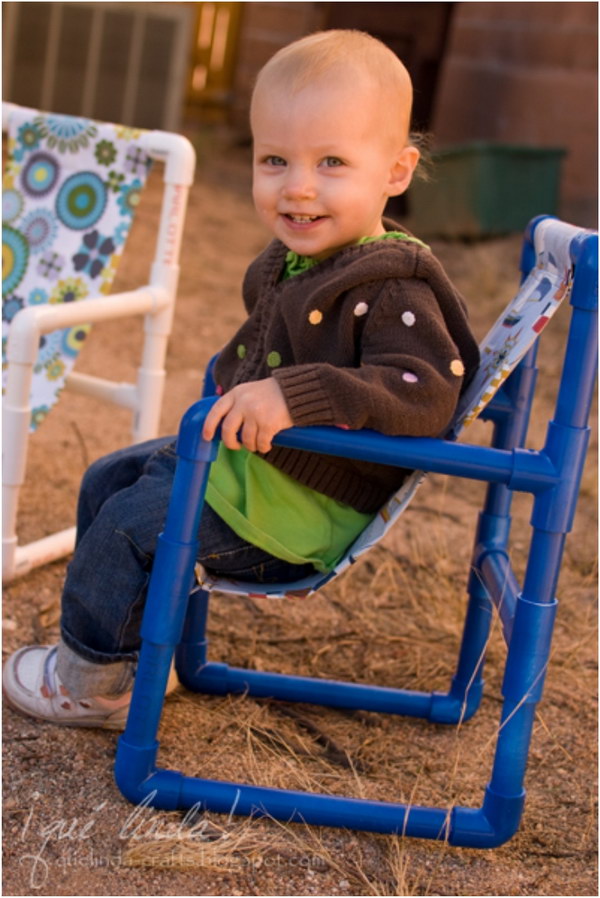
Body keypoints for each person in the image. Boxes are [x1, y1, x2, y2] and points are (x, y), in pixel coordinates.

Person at [3, 29, 480, 728]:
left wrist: (293, 394)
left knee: (133, 528)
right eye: (275, 159)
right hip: (251, 471)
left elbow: (426, 392)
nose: (298, 187)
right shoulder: (300, 258)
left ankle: (91, 683)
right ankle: (137, 657)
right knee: (106, 480)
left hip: (298, 506)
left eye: (333, 162)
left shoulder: (394, 288)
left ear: (397, 172)